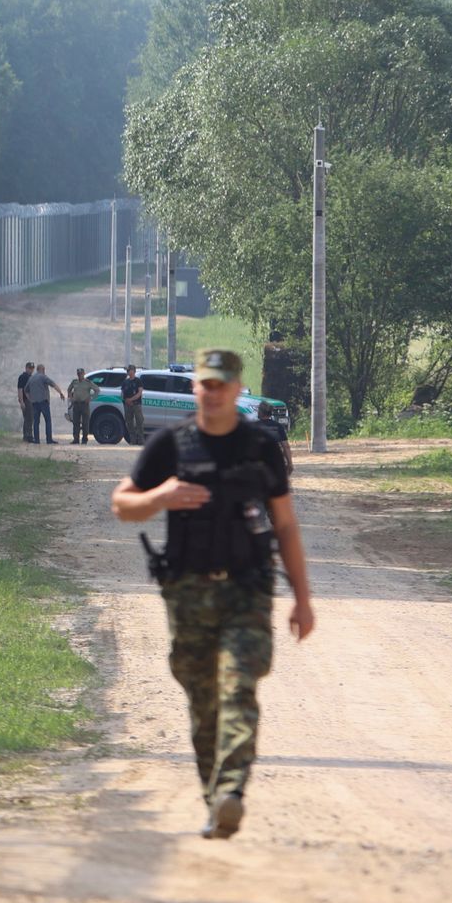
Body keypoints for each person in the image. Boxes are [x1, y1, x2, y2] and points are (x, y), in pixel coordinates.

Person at [112, 349, 315, 840]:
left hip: (248, 590)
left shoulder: (260, 448)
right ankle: (215, 799)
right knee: (203, 704)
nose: (215, 392)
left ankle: (232, 791)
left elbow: (285, 526)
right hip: (187, 593)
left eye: (223, 384)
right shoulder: (171, 445)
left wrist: (303, 599)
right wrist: (159, 497)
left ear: (237, 387)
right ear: (197, 387)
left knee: (238, 687)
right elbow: (123, 504)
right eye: (207, 383)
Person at [256, 403, 294, 475]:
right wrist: (290, 464)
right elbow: (286, 446)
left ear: (260, 412)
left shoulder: (253, 426)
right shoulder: (278, 427)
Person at [25, 363, 59, 444]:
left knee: (36, 422)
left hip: (34, 403)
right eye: (44, 370)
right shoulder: (43, 377)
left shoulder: (31, 378)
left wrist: (30, 399)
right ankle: (49, 439)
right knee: (47, 420)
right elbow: (53, 384)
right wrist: (60, 392)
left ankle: (37, 440)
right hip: (43, 402)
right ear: (42, 370)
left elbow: (26, 390)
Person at [67, 368, 99, 445]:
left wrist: (91, 398)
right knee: (76, 423)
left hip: (84, 405)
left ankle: (84, 439)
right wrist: (71, 398)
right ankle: (76, 439)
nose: (79, 375)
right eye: (78, 374)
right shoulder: (75, 382)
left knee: (85, 423)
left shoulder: (87, 382)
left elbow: (97, 390)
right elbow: (69, 390)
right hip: (76, 404)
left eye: (81, 373)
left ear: (84, 374)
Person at [121, 364, 146, 445]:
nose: (129, 372)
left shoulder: (138, 381)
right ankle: (132, 440)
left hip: (136, 404)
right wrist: (126, 400)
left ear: (134, 371)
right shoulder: (125, 382)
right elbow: (122, 393)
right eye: (128, 370)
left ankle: (141, 440)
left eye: (130, 370)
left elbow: (140, 393)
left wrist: (131, 399)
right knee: (129, 422)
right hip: (127, 405)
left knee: (139, 422)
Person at [17, 361, 36, 442]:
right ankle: (29, 436)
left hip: (31, 400)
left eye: (32, 368)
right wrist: (21, 402)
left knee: (28, 418)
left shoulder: (31, 377)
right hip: (26, 400)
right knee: (29, 418)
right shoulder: (23, 377)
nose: (31, 370)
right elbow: (20, 389)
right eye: (29, 368)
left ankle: (26, 436)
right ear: (26, 368)